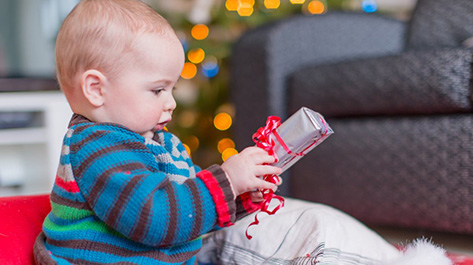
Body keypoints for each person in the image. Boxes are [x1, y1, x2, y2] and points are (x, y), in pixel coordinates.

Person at [33, 0, 282, 264]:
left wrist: (239, 194)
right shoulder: (97, 148)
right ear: (96, 89)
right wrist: (227, 181)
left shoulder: (156, 141)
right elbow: (155, 217)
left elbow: (186, 195)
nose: (171, 102)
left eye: (172, 89)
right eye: (157, 90)